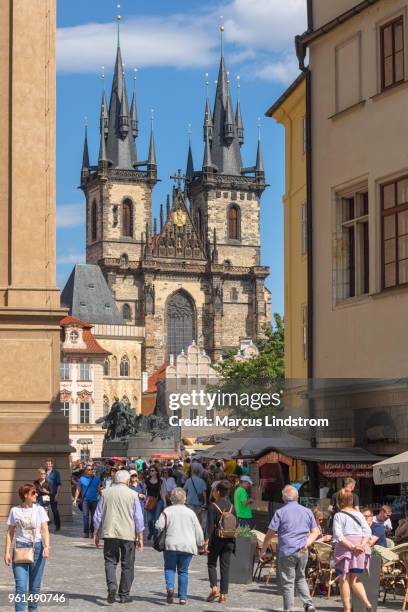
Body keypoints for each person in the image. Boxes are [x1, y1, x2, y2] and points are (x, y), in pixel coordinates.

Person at [260, 485, 319, 612]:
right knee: (301, 577)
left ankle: (288, 609)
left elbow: (270, 533)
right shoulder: (307, 511)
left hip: (287, 550)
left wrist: (263, 549)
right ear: (297, 497)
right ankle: (308, 604)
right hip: (303, 550)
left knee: (288, 582)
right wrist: (307, 543)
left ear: (283, 498)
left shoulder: (280, 512)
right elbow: (316, 532)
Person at [93, 469, 144, 605]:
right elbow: (138, 518)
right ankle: (124, 595)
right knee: (128, 564)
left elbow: (98, 514)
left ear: (115, 480)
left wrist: (96, 532)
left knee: (110, 561)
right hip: (128, 534)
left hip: (110, 532)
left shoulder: (105, 493)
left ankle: (112, 587)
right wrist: (140, 537)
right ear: (127, 481)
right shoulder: (133, 495)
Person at [4, 483, 50, 612]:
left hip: (38, 549)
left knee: (34, 587)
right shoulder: (15, 510)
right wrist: (7, 552)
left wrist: (47, 547)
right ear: (25, 495)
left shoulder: (39, 509)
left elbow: (45, 530)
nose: (37, 495)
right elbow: (10, 532)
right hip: (20, 549)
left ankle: (32, 610)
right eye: (33, 493)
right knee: (21, 588)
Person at [155, 487, 204, 605]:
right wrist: (201, 543)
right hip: (187, 545)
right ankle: (182, 597)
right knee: (183, 571)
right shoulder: (190, 512)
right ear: (184, 498)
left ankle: (170, 588)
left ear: (172, 498)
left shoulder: (167, 511)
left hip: (171, 544)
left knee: (169, 568)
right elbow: (198, 530)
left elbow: (159, 525)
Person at [333, 489, 372, 612]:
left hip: (345, 548)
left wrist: (352, 547)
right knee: (355, 579)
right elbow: (368, 532)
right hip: (360, 549)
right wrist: (361, 545)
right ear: (351, 501)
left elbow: (339, 536)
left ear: (339, 502)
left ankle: (347, 610)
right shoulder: (359, 515)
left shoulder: (338, 515)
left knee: (343, 578)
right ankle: (367, 604)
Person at [205, 480, 236, 604]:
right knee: (225, 567)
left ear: (217, 492)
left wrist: (207, 541)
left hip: (216, 539)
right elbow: (236, 524)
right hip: (229, 540)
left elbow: (209, 527)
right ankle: (223, 594)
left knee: (212, 563)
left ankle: (214, 587)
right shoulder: (232, 507)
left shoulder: (213, 506)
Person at [73, 464, 101, 538]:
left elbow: (98, 489)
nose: (90, 471)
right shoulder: (81, 479)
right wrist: (75, 499)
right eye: (88, 469)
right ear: (85, 471)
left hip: (94, 500)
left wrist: (102, 495)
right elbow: (78, 489)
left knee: (93, 517)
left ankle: (92, 532)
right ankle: (86, 532)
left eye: (92, 469)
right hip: (85, 500)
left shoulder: (97, 478)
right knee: (85, 516)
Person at [144, 465, 166, 539]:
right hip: (149, 501)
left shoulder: (160, 481)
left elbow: (162, 492)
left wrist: (165, 502)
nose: (151, 472)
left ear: (156, 472)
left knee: (156, 518)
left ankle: (155, 535)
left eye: (152, 470)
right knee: (150, 519)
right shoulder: (147, 480)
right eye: (150, 470)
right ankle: (151, 531)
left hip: (158, 501)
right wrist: (144, 499)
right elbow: (144, 491)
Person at [44, 458, 61, 531]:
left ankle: (57, 525)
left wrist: (57, 494)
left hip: (53, 494)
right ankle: (46, 524)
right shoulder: (43, 472)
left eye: (49, 464)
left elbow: (59, 484)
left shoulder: (56, 472)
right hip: (45, 495)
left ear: (52, 465)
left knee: (54, 510)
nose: (48, 465)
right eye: (47, 464)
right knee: (45, 510)